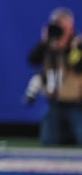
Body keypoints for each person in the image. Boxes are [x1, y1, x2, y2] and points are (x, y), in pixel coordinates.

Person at [27, 9, 82, 146]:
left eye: (61, 26)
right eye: (55, 25)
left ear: (70, 27)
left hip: (76, 104)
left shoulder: (77, 44)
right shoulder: (48, 46)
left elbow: (77, 66)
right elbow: (32, 60)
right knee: (49, 141)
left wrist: (66, 46)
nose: (58, 30)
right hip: (55, 104)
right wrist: (43, 42)